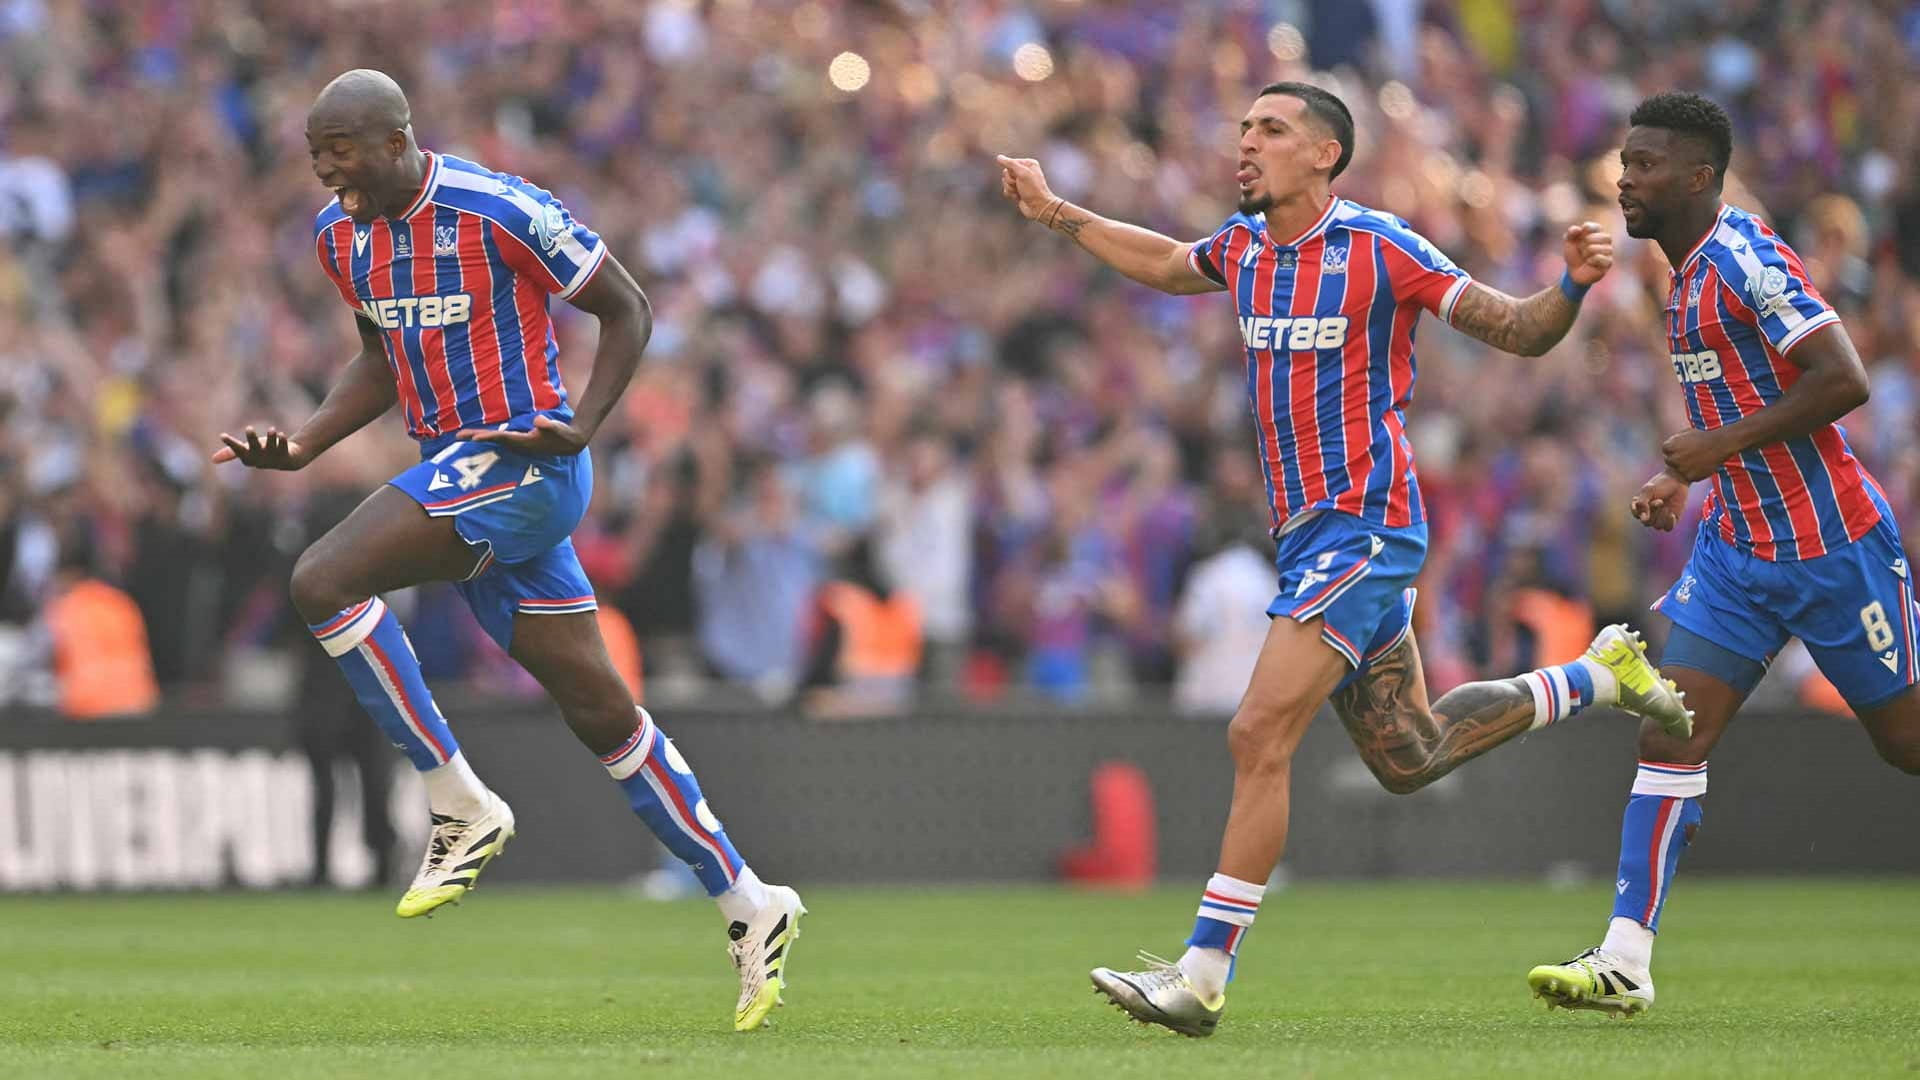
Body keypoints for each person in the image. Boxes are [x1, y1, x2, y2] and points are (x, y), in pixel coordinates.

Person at [997, 80, 1693, 1037]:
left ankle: (1200, 976)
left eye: (1271, 130)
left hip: (1368, 528)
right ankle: (1598, 676)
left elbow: (1515, 330)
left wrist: (1570, 284)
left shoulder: (1381, 247)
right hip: (1307, 540)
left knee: (1257, 733)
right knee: (1410, 754)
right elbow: (1165, 263)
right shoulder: (1243, 248)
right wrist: (1056, 213)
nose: (1246, 142)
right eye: (1242, 126)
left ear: (1324, 154)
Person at [211, 69, 802, 1032]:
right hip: (458, 473)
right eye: (317, 154)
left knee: (323, 577)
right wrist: (308, 443)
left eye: (344, 150)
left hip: (525, 464)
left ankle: (458, 801)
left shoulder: (499, 208)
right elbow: (380, 360)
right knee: (603, 714)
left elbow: (627, 307)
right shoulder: (340, 240)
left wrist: (587, 423)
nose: (327, 170)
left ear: (399, 139)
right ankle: (751, 902)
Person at [1526, 91, 1920, 1018]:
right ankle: (1626, 958)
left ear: (1700, 176)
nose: (1627, 177)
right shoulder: (1683, 273)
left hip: (1834, 550)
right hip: (1738, 552)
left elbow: (1843, 379)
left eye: (1649, 164)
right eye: (1626, 161)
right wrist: (1690, 475)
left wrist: (1717, 448)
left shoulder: (1746, 256)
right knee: (1669, 729)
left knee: (1907, 745)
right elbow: (1741, 403)